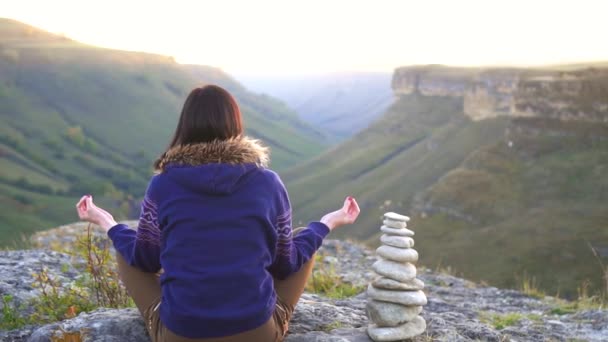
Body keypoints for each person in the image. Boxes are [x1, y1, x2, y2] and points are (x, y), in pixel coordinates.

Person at [75, 84, 360, 342]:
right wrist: (326, 223)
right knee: (304, 239)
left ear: (185, 126)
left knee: (126, 246)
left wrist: (108, 222)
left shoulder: (163, 184)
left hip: (181, 335)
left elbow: (145, 260)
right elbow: (285, 265)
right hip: (256, 333)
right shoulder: (268, 182)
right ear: (234, 123)